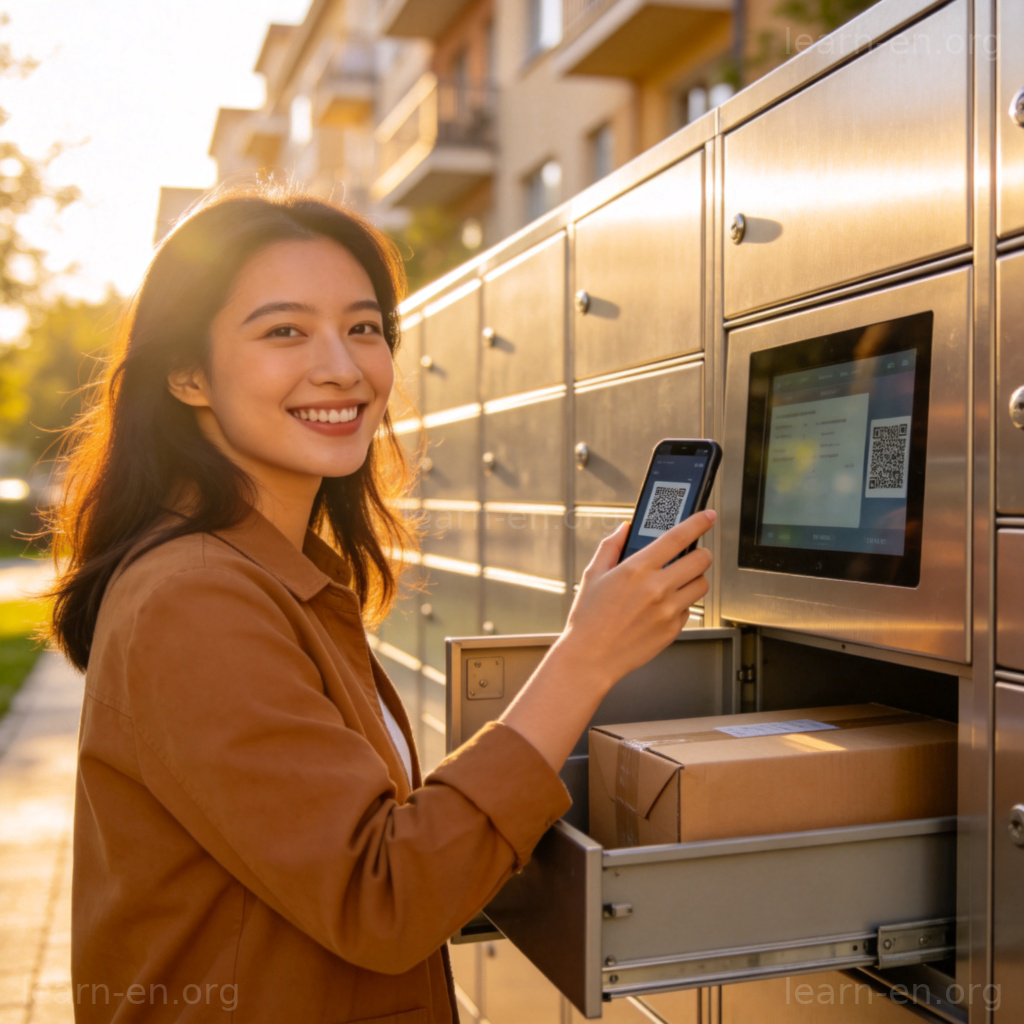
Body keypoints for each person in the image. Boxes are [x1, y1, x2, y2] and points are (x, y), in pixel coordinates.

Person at [47, 181, 715, 1023]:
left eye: (364, 327)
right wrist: (587, 657)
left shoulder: (275, 573)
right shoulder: (197, 599)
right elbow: (383, 897)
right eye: (284, 330)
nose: (343, 366)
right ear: (187, 374)